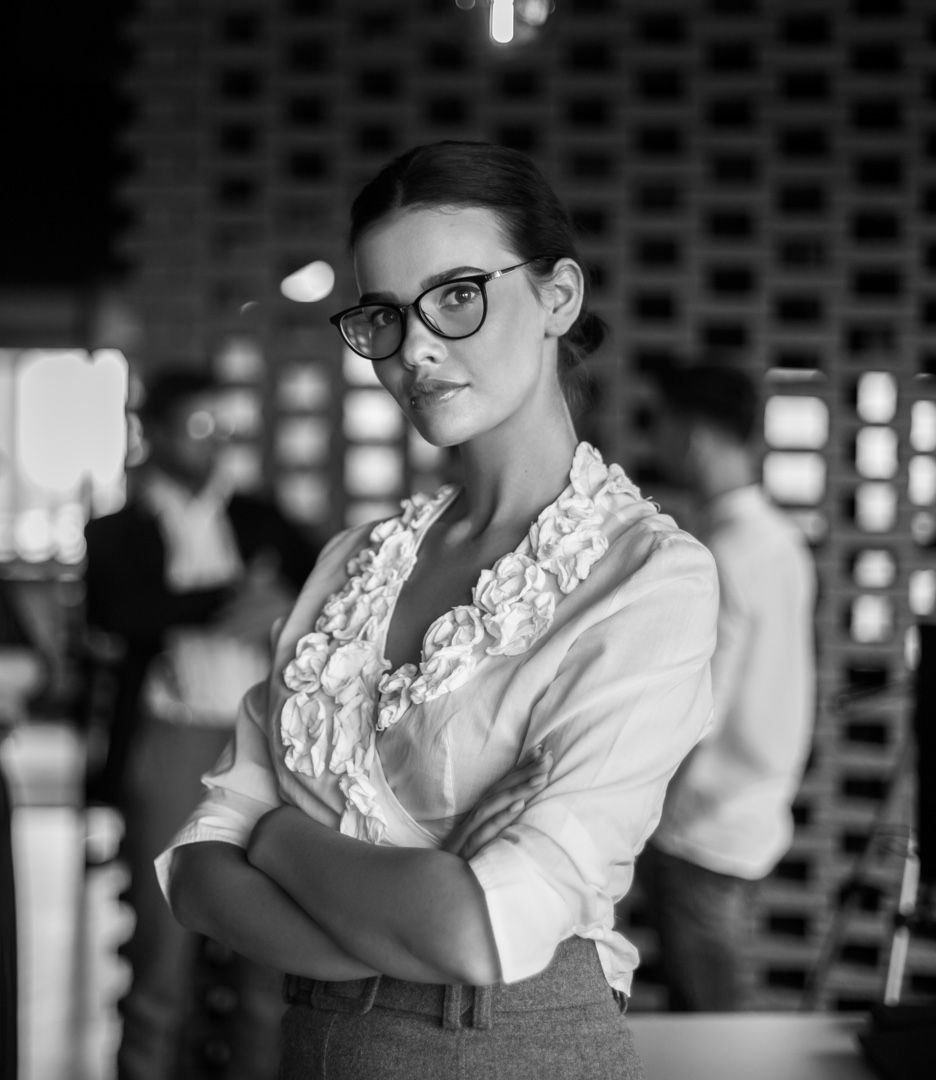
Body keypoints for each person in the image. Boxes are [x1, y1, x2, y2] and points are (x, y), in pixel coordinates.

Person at [158, 141, 719, 1079]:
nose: (414, 348)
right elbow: (198, 870)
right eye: (383, 313)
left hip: (505, 1047)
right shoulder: (355, 561)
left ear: (559, 297)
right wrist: (391, 920)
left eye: (457, 295)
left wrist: (278, 833)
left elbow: (480, 930)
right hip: (315, 1044)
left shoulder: (649, 578)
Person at [83, 367, 320, 1080]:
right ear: (151, 433)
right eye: (197, 427)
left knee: (265, 965)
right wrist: (230, 598)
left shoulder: (260, 515)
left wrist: (269, 607)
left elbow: (320, 598)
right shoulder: (117, 527)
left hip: (263, 746)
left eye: (223, 428)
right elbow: (120, 615)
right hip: (170, 742)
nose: (214, 443)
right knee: (161, 953)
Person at [637, 359, 816, 1012]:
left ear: (693, 435)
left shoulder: (722, 552)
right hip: (751, 815)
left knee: (711, 1025)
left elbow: (697, 712)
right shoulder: (778, 539)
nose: (654, 441)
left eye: (659, 424)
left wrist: (639, 828)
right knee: (714, 1019)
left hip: (699, 829)